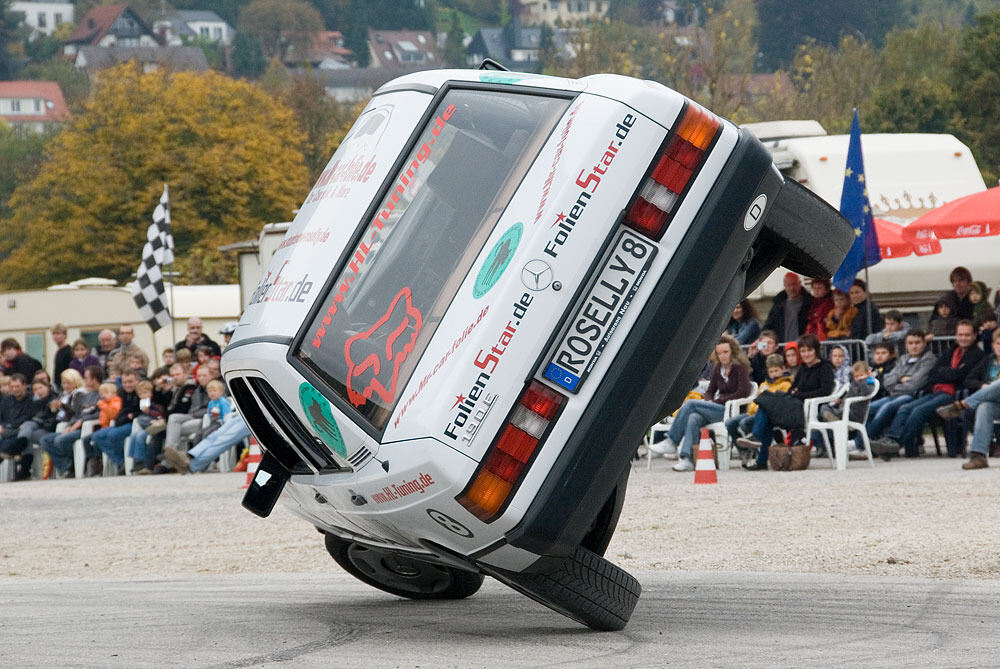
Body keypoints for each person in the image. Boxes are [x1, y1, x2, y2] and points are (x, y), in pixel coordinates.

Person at [872, 321, 983, 459]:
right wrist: (949, 372)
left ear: (974, 336)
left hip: (955, 395)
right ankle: (891, 439)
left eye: (967, 335)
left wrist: (946, 373)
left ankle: (895, 445)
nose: (963, 338)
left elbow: (960, 375)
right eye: (960, 334)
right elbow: (935, 372)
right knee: (905, 408)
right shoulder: (953, 350)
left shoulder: (977, 354)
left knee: (919, 411)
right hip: (937, 391)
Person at [738, 334, 836, 470]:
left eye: (809, 350)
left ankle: (756, 439)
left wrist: (800, 394)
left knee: (766, 407)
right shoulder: (803, 369)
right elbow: (791, 390)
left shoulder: (824, 367)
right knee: (766, 408)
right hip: (793, 405)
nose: (806, 354)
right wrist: (795, 393)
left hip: (806, 409)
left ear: (816, 350)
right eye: (803, 351)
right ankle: (759, 456)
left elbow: (824, 391)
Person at [659, 335, 751, 471]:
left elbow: (743, 392)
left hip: (731, 411)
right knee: (693, 418)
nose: (723, 356)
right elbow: (710, 391)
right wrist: (708, 400)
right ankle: (687, 459)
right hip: (716, 408)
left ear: (733, 351)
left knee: (690, 404)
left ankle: (672, 441)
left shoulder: (740, 368)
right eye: (719, 353)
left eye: (726, 352)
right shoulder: (717, 368)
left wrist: (718, 400)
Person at [936, 329, 1000, 469]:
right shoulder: (989, 361)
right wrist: (982, 385)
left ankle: (962, 405)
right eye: (999, 343)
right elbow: (969, 379)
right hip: (994, 403)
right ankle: (979, 455)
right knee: (984, 408)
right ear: (994, 345)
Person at [865, 330, 937, 441]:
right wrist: (901, 379)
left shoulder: (929, 359)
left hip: (913, 396)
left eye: (917, 343)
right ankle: (868, 442)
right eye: (910, 343)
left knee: (886, 408)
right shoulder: (903, 359)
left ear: (924, 343)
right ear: (906, 345)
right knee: (868, 409)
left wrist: (895, 385)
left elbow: (915, 385)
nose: (914, 346)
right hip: (894, 395)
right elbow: (887, 381)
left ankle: (861, 444)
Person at [726, 353, 792, 460]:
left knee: (745, 423)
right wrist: (754, 407)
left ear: (783, 369)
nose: (774, 374)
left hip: (771, 414)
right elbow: (755, 401)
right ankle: (744, 450)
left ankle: (755, 446)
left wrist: (759, 406)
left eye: (776, 370)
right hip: (755, 412)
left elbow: (778, 403)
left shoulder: (785, 384)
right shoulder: (764, 385)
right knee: (730, 423)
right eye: (771, 371)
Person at [40, 366, 102, 479]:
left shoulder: (101, 394)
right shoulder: (87, 395)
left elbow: (99, 414)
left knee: (60, 440)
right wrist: (70, 426)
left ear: (95, 379)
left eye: (87, 377)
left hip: (87, 429)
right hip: (75, 427)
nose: (84, 380)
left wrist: (81, 422)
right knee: (45, 440)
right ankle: (67, 466)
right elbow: (77, 414)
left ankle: (73, 464)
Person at [6, 379, 61, 479]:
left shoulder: (54, 400)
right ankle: (23, 464)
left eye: (40, 388)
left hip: (48, 429)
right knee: (27, 430)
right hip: (36, 427)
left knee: (27, 431)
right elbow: (30, 416)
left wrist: (34, 420)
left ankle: (22, 463)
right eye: (35, 389)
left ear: (48, 387)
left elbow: (50, 419)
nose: (38, 391)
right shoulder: (34, 402)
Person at [164, 411, 250, 474]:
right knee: (215, 435)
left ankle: (192, 465)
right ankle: (188, 456)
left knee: (225, 439)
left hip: (257, 414)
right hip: (243, 412)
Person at [91, 371, 141, 475]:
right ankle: (120, 461)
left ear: (137, 381)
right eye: (125, 382)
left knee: (112, 435)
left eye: (130, 381)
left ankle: (123, 460)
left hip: (134, 424)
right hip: (121, 422)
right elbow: (122, 412)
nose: (127, 384)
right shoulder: (122, 393)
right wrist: (125, 416)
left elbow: (137, 410)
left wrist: (127, 415)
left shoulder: (140, 392)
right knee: (96, 436)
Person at [127, 380, 166, 475]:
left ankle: (141, 461)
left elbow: (161, 413)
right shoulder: (139, 404)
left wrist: (149, 411)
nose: (143, 395)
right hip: (145, 426)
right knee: (134, 436)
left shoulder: (154, 404)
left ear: (151, 393)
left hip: (155, 426)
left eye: (145, 392)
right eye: (140, 394)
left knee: (140, 436)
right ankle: (135, 460)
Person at [763, 272, 814, 343]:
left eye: (794, 284)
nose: (792, 288)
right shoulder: (778, 305)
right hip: (783, 347)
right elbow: (768, 325)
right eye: (789, 285)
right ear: (784, 286)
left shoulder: (809, 302)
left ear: (800, 283)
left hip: (803, 346)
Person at [0, 374, 38, 464]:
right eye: (12, 387)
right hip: (6, 429)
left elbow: (29, 416)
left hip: (19, 429)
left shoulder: (31, 399)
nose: (14, 389)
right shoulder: (6, 400)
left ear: (24, 385)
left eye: (17, 386)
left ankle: (14, 456)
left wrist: (10, 426)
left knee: (23, 436)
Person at [51, 324, 72, 391]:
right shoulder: (59, 351)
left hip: (66, 385)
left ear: (64, 335)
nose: (55, 336)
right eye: (54, 334)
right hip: (58, 385)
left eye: (58, 333)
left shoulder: (69, 351)